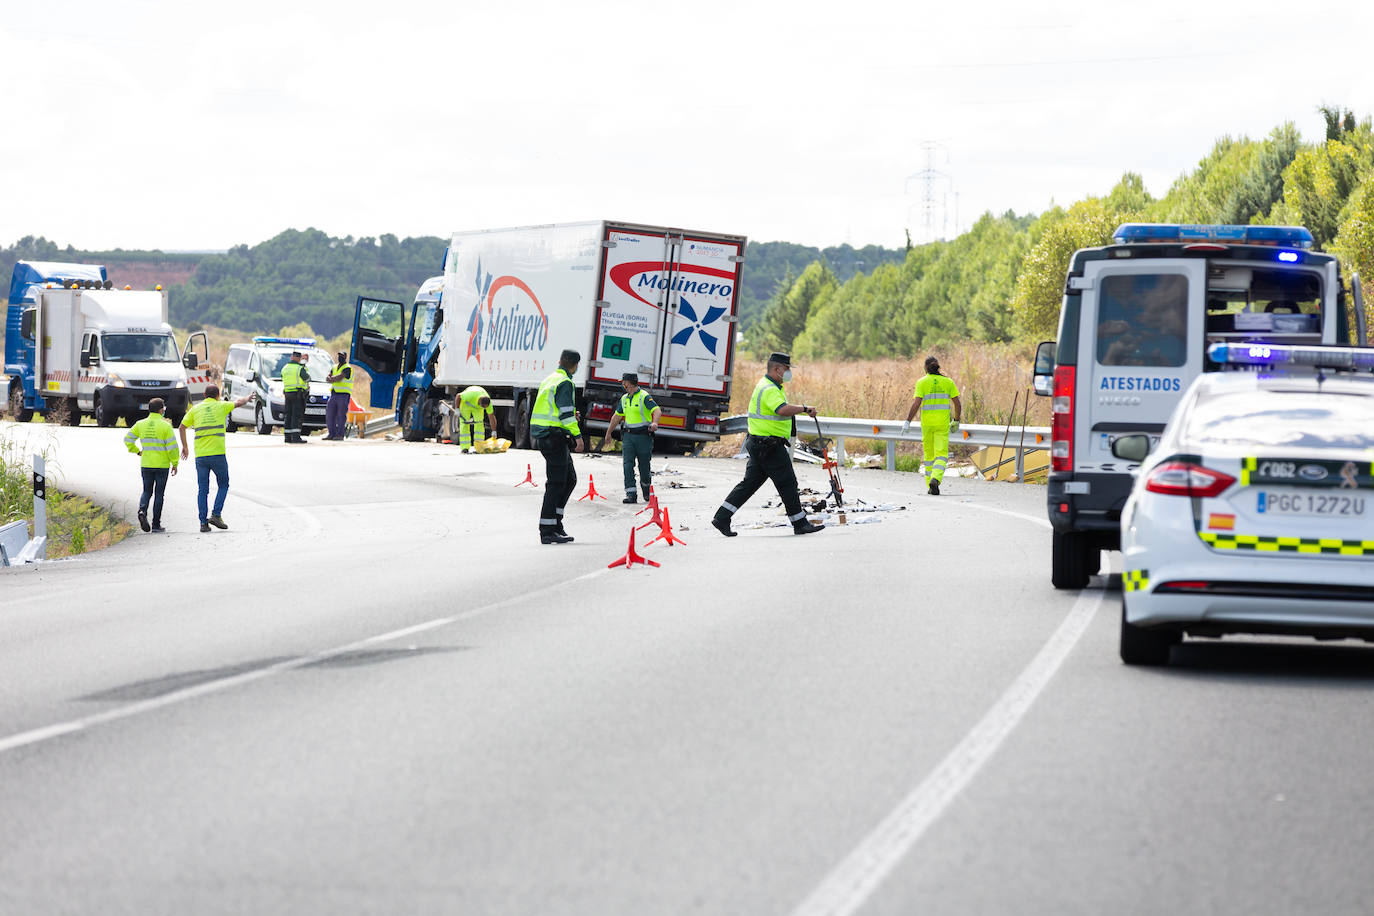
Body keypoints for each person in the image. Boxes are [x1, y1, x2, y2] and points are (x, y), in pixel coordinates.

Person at [711, 353, 825, 537]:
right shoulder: (770, 389)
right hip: (768, 446)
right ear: (777, 369)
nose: (788, 372)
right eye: (786, 368)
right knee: (788, 482)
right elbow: (782, 409)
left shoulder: (769, 385)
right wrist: (804, 409)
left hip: (759, 443)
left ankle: (722, 518)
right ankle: (800, 523)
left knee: (749, 484)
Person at [179, 385, 256, 532]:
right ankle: (216, 514)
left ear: (204, 394)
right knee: (223, 485)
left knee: (203, 490)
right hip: (218, 455)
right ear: (218, 395)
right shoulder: (221, 406)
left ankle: (203, 523)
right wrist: (247, 398)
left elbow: (182, 427)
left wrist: (185, 446)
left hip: (201, 456)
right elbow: (238, 402)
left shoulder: (195, 409)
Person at [530, 349, 584, 544]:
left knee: (569, 479)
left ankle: (556, 523)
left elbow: (556, 410)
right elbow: (566, 414)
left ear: (560, 361)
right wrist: (577, 435)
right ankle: (547, 530)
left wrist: (568, 421)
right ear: (575, 365)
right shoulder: (565, 382)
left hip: (547, 434)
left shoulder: (550, 378)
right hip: (552, 436)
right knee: (555, 483)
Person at [901, 355, 962, 496]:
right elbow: (957, 403)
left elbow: (916, 403)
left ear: (925, 368)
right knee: (941, 455)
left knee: (929, 456)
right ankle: (936, 479)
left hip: (927, 425)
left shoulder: (922, 382)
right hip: (942, 424)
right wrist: (956, 420)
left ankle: (930, 484)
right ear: (937, 367)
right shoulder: (948, 382)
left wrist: (907, 421)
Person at [598, 372, 660, 503]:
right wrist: (608, 433)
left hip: (643, 437)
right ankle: (631, 494)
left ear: (629, 383)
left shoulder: (644, 396)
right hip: (628, 436)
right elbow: (616, 416)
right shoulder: (624, 398)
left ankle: (646, 490)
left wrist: (654, 422)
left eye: (623, 382)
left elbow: (657, 410)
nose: (622, 384)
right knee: (627, 465)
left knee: (643, 466)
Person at [123, 397, 178, 533]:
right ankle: (156, 524)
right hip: (162, 466)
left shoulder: (140, 424)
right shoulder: (166, 426)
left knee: (147, 491)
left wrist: (137, 451)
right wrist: (175, 463)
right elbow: (172, 447)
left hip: (146, 464)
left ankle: (142, 510)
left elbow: (128, 439)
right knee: (159, 494)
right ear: (161, 410)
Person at [455, 385, 497, 452]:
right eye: (483, 407)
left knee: (479, 423)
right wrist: (457, 409)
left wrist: (494, 431)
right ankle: (464, 448)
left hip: (478, 408)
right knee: (464, 424)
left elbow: (491, 416)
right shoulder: (469, 395)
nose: (485, 408)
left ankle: (479, 447)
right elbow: (458, 396)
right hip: (466, 404)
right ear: (480, 402)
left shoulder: (487, 403)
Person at [281, 351, 311, 443]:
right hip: (297, 394)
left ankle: (287, 437)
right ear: (298, 358)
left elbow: (283, 378)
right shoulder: (299, 368)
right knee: (296, 416)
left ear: (291, 357)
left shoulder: (285, 368)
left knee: (288, 415)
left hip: (287, 394)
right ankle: (295, 437)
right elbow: (307, 378)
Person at [324, 351, 354, 440]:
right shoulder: (334, 367)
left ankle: (340, 435)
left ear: (345, 357)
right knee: (330, 414)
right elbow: (328, 377)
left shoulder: (348, 368)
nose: (340, 357)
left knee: (341, 415)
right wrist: (331, 378)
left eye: (341, 356)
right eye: (339, 356)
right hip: (334, 394)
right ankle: (331, 434)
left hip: (343, 395)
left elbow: (340, 377)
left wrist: (331, 379)